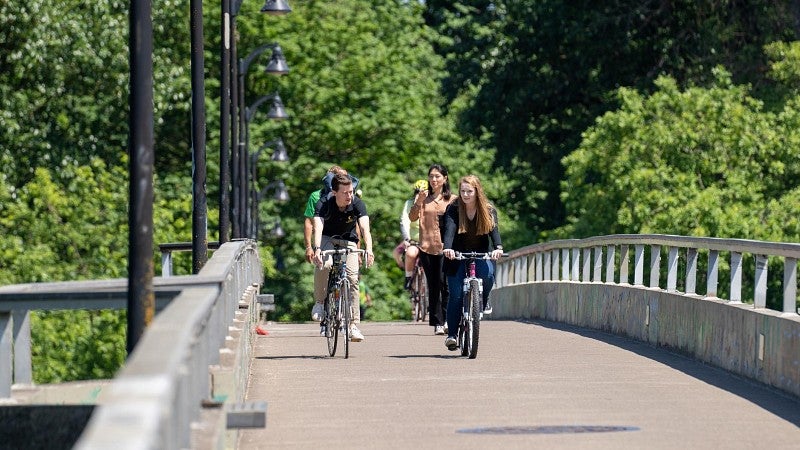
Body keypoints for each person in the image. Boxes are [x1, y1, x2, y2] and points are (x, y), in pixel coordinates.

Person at [442, 175, 503, 351]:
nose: (466, 195)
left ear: (477, 191)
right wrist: (448, 248)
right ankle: (452, 335)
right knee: (456, 295)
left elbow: (494, 232)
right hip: (456, 255)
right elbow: (449, 231)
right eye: (463, 191)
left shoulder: (488, 210)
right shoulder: (453, 209)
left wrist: (498, 247)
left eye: (469, 191)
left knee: (489, 275)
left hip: (480, 254)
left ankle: (482, 302)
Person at [311, 173, 375, 342]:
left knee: (353, 278)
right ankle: (319, 302)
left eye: (351, 192)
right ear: (334, 192)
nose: (349, 196)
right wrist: (317, 249)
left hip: (348, 240)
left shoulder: (357, 204)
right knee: (325, 265)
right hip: (327, 238)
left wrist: (369, 249)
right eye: (345, 193)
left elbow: (365, 229)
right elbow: (317, 228)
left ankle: (353, 324)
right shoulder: (324, 204)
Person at [408, 164, 454, 335]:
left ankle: (449, 318)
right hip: (426, 247)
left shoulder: (452, 199)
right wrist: (419, 201)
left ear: (445, 179)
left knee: (446, 284)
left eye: (437, 176)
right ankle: (437, 322)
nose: (434, 180)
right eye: (431, 176)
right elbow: (412, 217)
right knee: (433, 284)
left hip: (445, 248)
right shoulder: (422, 199)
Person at [303, 165, 359, 263]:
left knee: (343, 265)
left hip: (344, 239)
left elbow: (355, 224)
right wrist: (309, 247)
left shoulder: (349, 197)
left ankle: (341, 272)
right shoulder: (317, 197)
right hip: (325, 238)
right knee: (326, 266)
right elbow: (309, 224)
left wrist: (357, 252)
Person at [393, 179, 427, 290]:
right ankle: (408, 277)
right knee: (411, 253)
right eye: (417, 192)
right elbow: (405, 221)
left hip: (429, 242)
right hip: (414, 240)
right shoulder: (409, 204)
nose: (419, 195)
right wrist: (407, 238)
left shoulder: (431, 204)